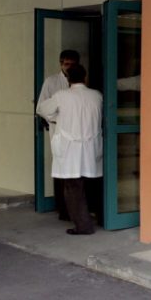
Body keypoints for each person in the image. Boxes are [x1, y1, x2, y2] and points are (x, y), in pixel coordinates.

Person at [36, 63, 103, 235]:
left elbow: (42, 109)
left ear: (67, 79)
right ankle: (100, 218)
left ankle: (83, 225)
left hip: (69, 148)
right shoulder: (96, 95)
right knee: (93, 183)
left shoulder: (61, 96)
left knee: (73, 186)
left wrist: (56, 117)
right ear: (85, 78)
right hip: (91, 146)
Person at [38, 50, 80, 220]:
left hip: (78, 132)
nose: (69, 67)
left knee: (77, 170)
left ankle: (76, 209)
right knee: (61, 169)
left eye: (73, 64)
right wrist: (59, 119)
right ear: (61, 64)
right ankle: (62, 209)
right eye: (66, 64)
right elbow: (42, 107)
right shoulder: (52, 82)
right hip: (59, 131)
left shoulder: (82, 82)